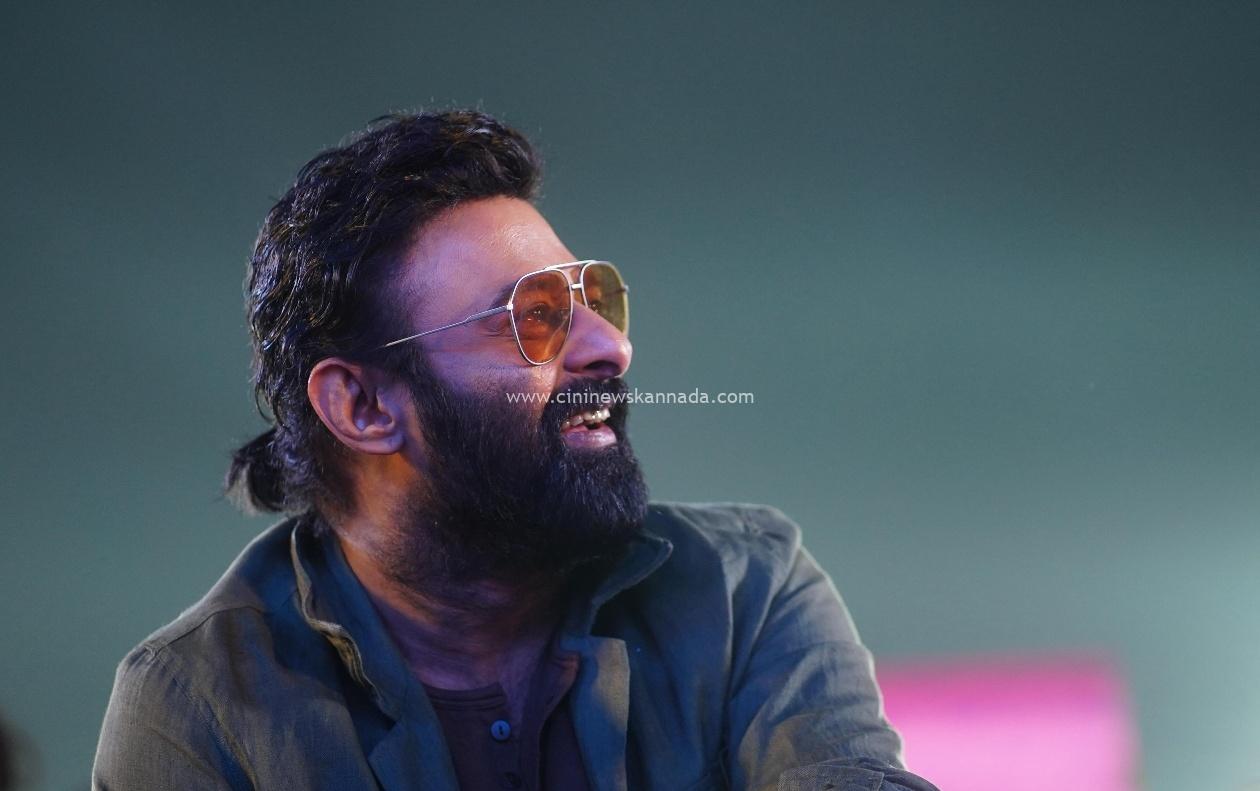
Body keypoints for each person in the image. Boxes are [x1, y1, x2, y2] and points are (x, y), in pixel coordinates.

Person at [91, 110, 937, 791]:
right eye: (533, 317)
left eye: (594, 298)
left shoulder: (745, 587)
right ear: (362, 406)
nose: (611, 346)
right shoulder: (196, 705)